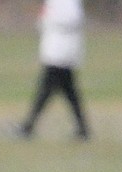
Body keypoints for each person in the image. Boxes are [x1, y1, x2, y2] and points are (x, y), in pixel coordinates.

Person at [17, 0, 90, 140]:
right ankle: (83, 128)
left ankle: (28, 126)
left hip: (61, 52)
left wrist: (47, 19)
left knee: (46, 90)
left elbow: (72, 20)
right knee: (70, 92)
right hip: (56, 51)